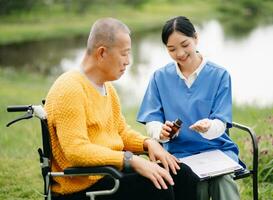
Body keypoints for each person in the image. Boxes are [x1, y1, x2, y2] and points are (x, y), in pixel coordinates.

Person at [44, 18, 198, 200]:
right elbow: (76, 151)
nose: (128, 61)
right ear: (102, 53)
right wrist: (131, 160)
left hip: (109, 175)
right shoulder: (69, 88)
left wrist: (148, 144)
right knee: (157, 186)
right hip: (81, 187)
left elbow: (121, 132)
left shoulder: (107, 88)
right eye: (124, 54)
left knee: (182, 174)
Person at [137, 16, 241, 200]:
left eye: (185, 45)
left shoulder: (219, 75)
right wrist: (161, 131)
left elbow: (221, 123)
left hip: (217, 150)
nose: (180, 53)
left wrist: (209, 127)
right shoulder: (159, 78)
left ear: (196, 38)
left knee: (222, 181)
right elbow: (152, 119)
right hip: (179, 153)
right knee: (194, 184)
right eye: (172, 49)